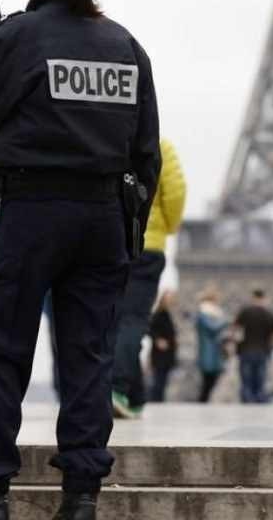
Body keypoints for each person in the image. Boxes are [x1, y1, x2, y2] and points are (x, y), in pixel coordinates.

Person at [0, 0, 160, 520]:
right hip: (103, 217)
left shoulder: (22, 36)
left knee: (5, 350)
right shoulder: (126, 45)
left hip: (33, 211)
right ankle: (81, 495)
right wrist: (125, 231)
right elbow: (147, 153)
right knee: (89, 356)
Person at [112, 138, 186, 419]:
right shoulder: (159, 145)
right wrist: (167, 225)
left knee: (112, 318)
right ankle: (117, 388)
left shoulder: (104, 138)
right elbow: (176, 192)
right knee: (132, 320)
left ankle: (133, 395)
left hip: (108, 241)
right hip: (148, 243)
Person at [233, 290, 273, 404]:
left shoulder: (245, 312)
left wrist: (236, 343)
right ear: (263, 298)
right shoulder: (269, 314)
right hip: (262, 350)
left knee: (246, 377)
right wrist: (270, 346)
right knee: (260, 376)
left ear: (253, 298)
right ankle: (260, 396)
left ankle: (247, 397)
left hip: (246, 349)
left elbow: (235, 329)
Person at [195, 287, 229, 404]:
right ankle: (202, 401)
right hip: (208, 351)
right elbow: (213, 328)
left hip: (214, 351)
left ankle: (204, 400)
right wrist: (224, 320)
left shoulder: (210, 314)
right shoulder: (203, 314)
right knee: (208, 380)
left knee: (211, 379)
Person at [147, 290, 178, 403]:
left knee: (163, 380)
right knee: (158, 380)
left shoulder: (167, 314)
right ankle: (155, 401)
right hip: (160, 354)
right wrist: (157, 340)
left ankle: (159, 400)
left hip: (168, 354)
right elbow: (150, 328)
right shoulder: (159, 314)